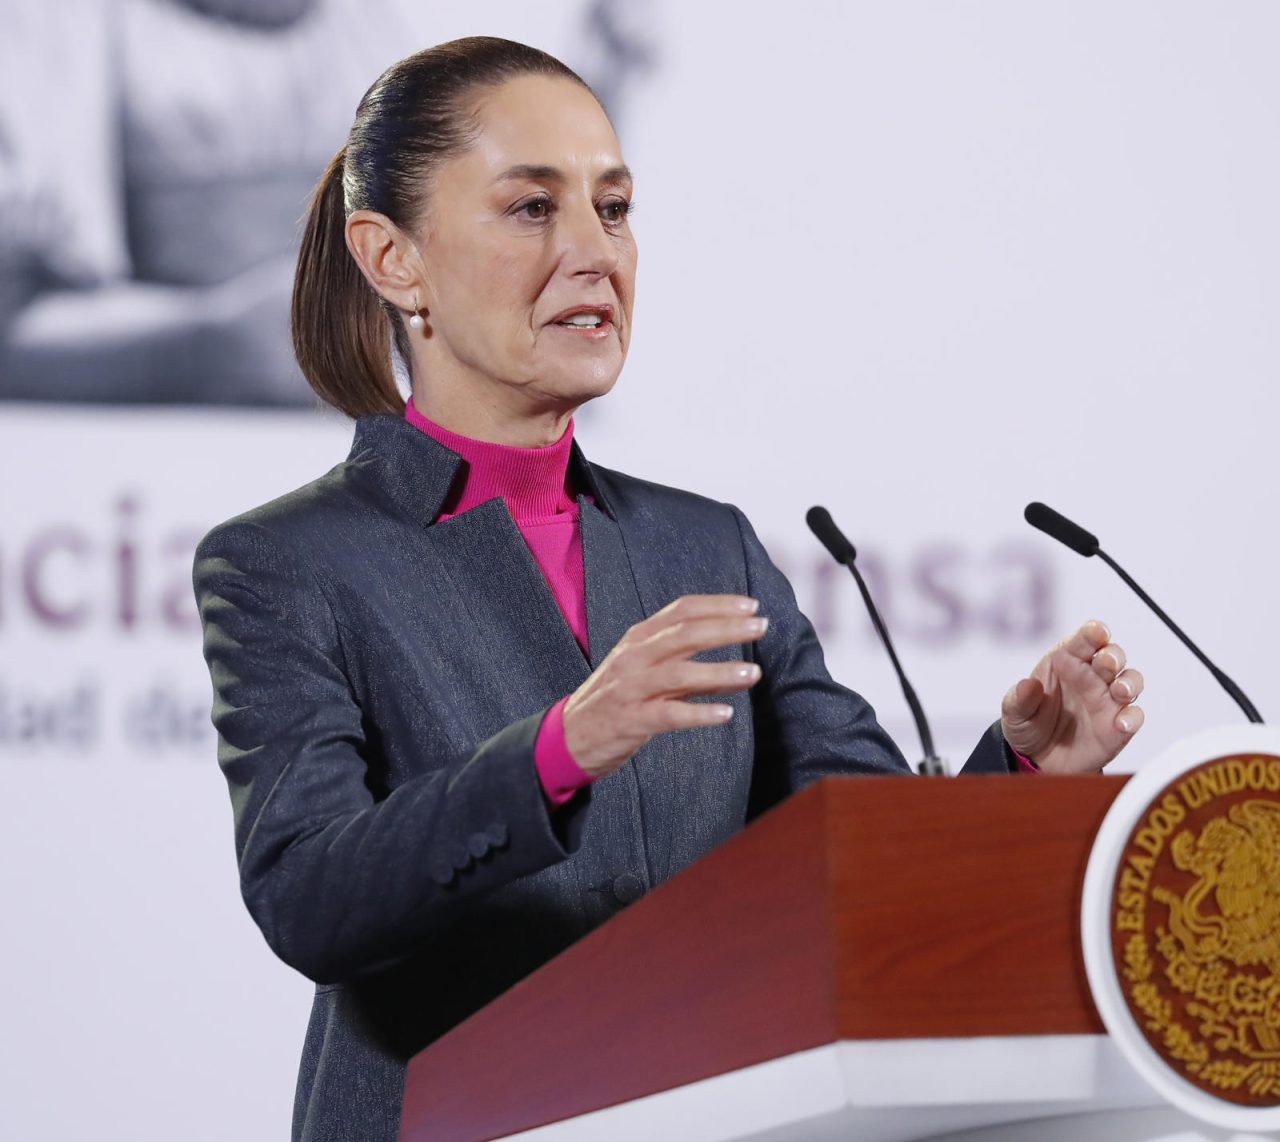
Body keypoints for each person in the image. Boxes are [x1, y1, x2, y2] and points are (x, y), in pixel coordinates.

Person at [193, 37, 1146, 1142]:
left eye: (614, 206)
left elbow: (860, 852)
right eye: (531, 208)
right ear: (393, 258)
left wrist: (1023, 770)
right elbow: (312, 896)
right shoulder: (291, 561)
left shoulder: (708, 544)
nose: (595, 252)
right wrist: (562, 746)